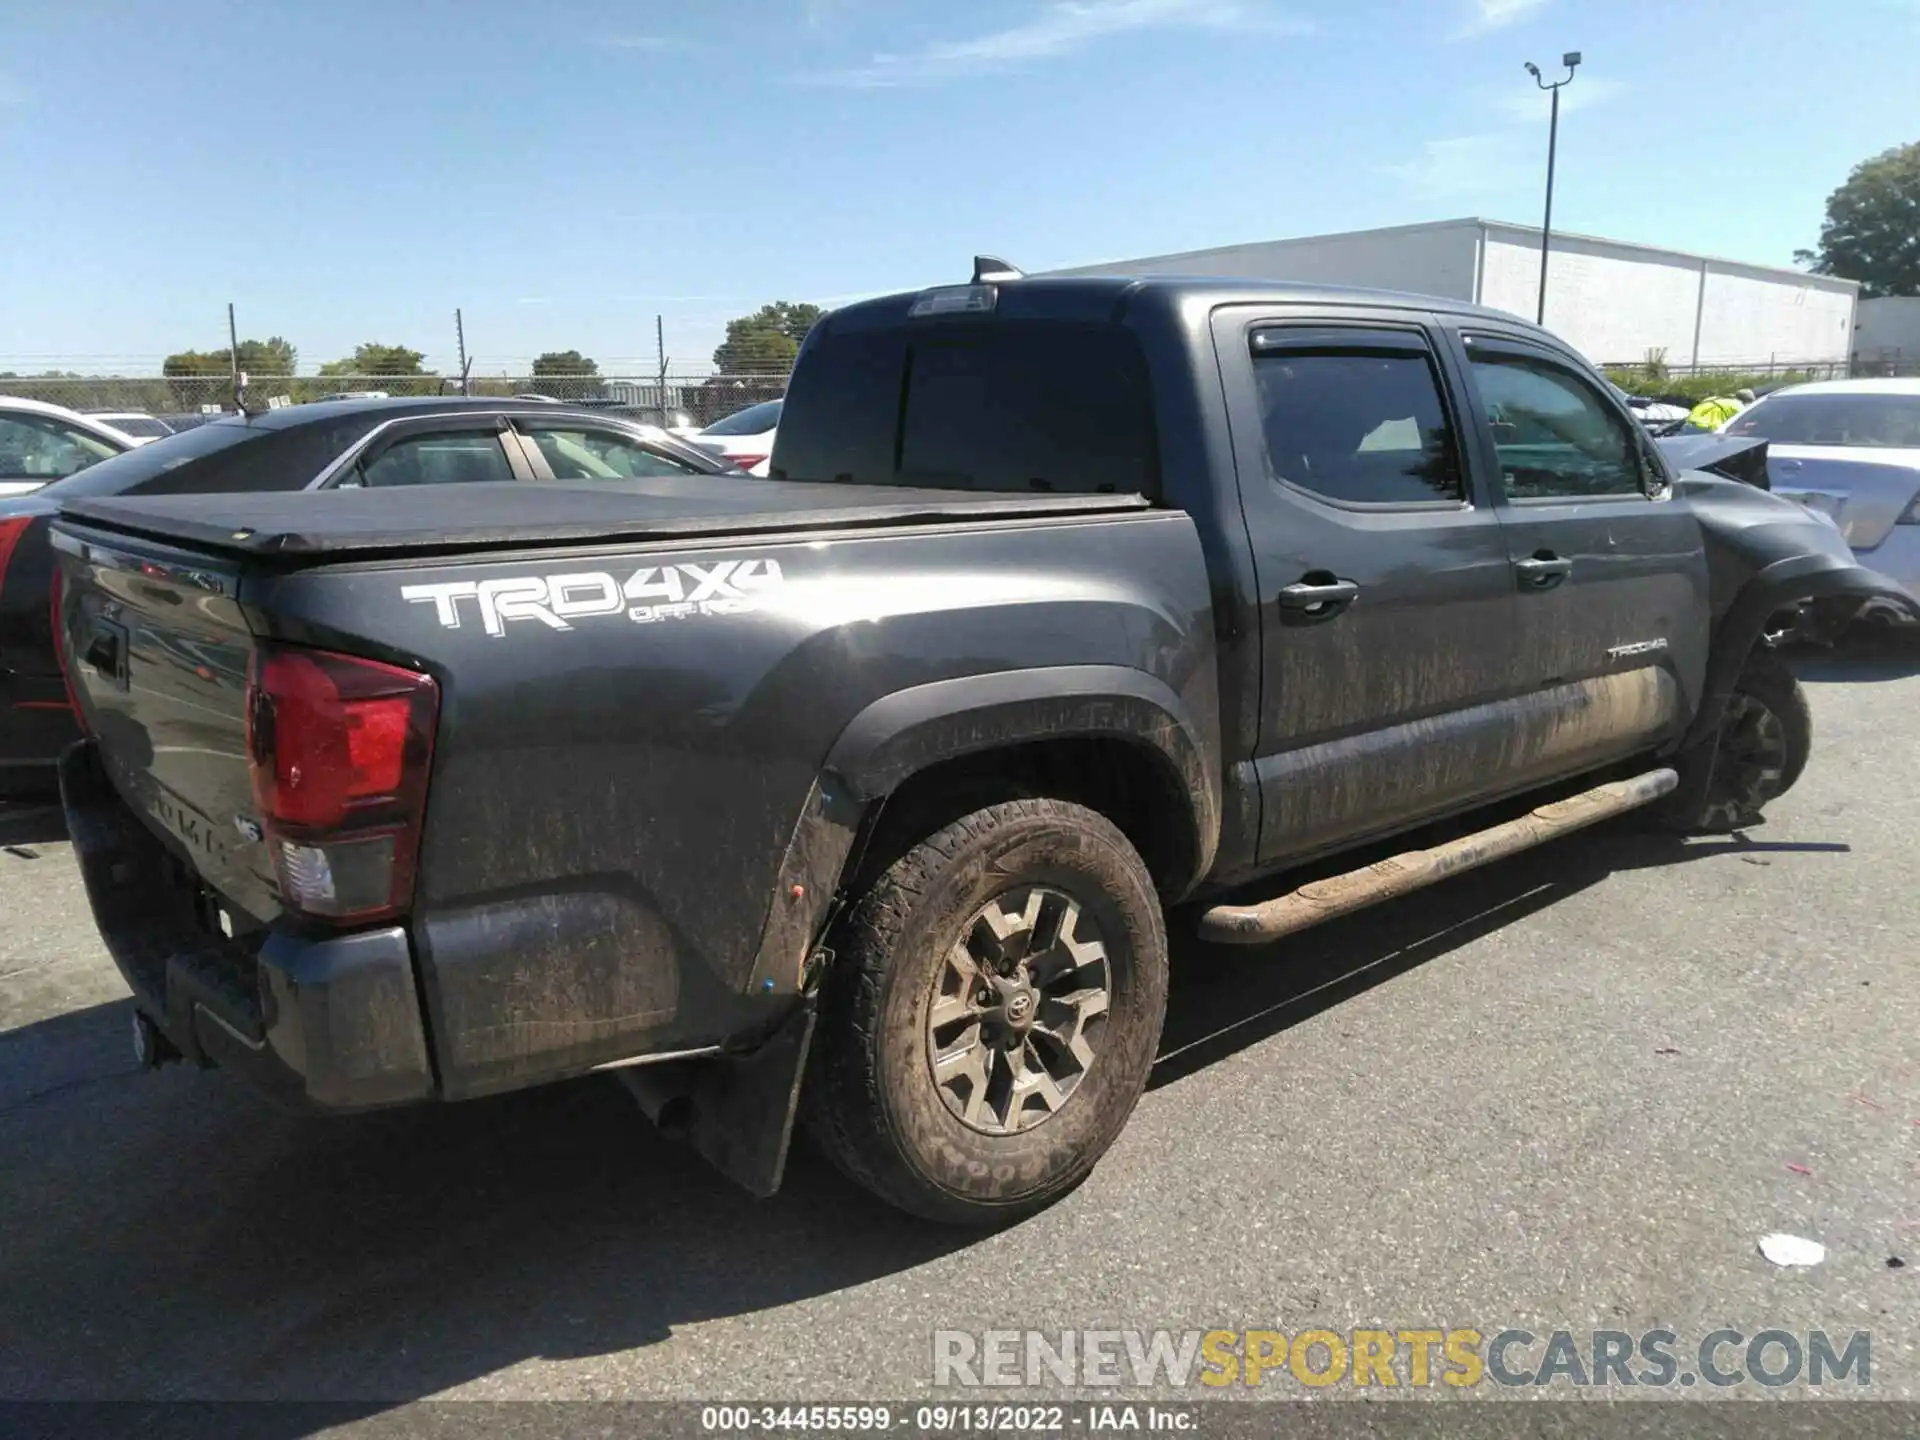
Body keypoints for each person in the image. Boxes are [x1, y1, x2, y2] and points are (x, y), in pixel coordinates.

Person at [1687, 387, 1753, 432]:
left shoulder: (1714, 399)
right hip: (1708, 429)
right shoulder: (1738, 405)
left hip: (1688, 426)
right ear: (1746, 401)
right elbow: (1744, 422)